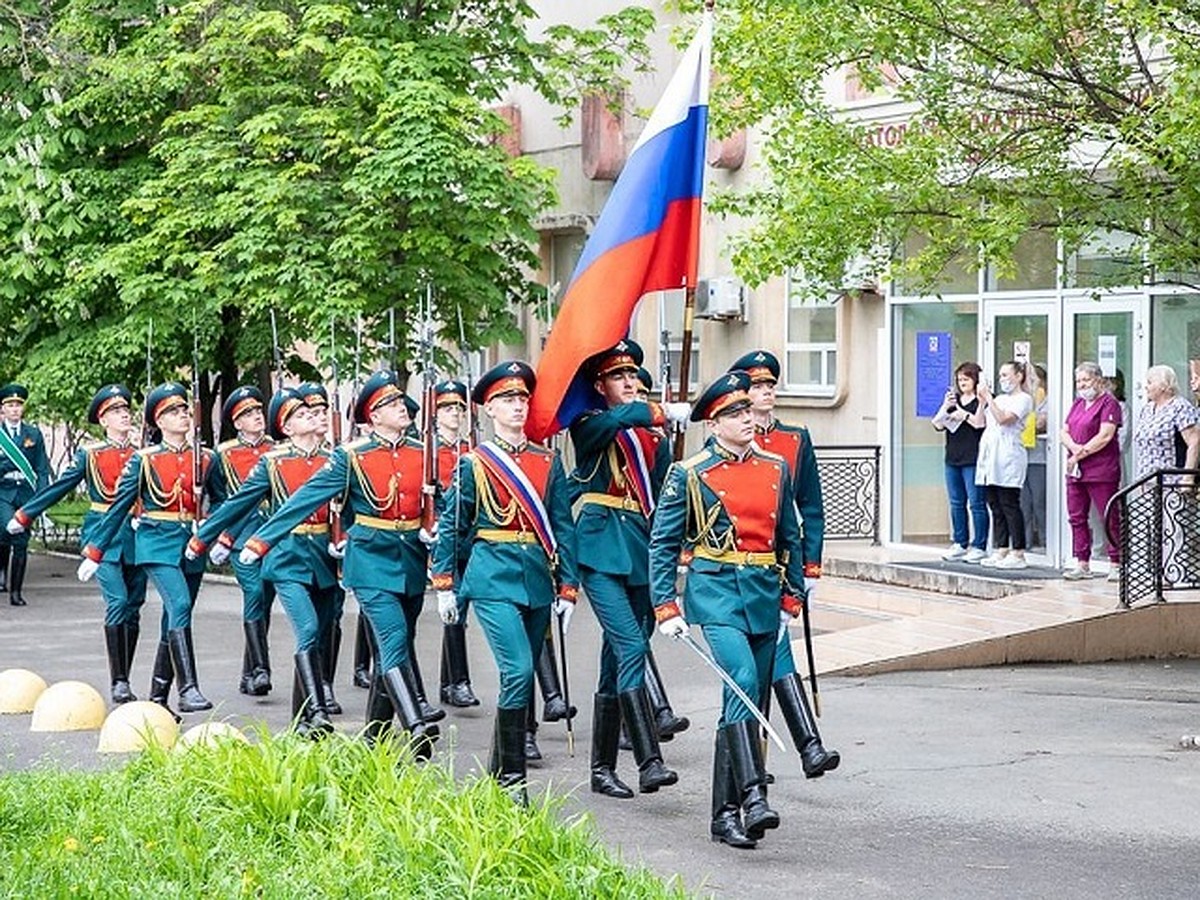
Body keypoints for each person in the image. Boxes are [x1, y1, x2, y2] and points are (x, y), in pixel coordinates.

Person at [239, 370, 440, 756]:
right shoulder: (352, 457)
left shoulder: (421, 451)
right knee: (393, 639)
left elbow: (442, 503)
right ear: (372, 416)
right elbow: (304, 499)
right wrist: (262, 540)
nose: (401, 407)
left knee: (396, 644)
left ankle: (374, 738)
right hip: (369, 563)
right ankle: (414, 723)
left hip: (411, 561)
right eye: (390, 404)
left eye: (400, 402)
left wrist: (439, 531)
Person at [649, 371, 806, 850]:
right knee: (739, 676)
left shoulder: (776, 467)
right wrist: (665, 605)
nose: (747, 419)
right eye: (736, 414)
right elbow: (663, 542)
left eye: (747, 412)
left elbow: (789, 539)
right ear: (714, 423)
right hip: (715, 594)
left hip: (762, 592)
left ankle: (724, 815)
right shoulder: (690, 473)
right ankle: (754, 796)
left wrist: (791, 597)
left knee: (746, 700)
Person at [430, 360, 580, 803]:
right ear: (488, 409)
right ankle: (514, 782)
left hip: (536, 578)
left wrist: (568, 587)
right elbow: (454, 527)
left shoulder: (547, 461)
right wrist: (443, 583)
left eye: (521, 399)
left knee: (525, 671)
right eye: (507, 400)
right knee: (517, 670)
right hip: (491, 576)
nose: (517, 407)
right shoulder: (475, 464)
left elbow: (562, 527)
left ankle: (499, 774)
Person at [568, 339, 688, 799]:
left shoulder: (653, 439)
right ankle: (648, 760)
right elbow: (623, 418)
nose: (630, 383)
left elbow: (664, 498)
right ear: (600, 386)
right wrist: (658, 410)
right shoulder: (589, 423)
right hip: (599, 547)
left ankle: (600, 770)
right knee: (630, 644)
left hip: (640, 547)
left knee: (614, 660)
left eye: (634, 376)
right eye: (619, 377)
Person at [188, 389, 340, 737]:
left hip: (323, 555)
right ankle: (316, 711)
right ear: (286, 428)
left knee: (324, 630)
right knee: (307, 629)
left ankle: (301, 720)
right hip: (286, 555)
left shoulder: (333, 459)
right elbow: (238, 503)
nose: (311, 417)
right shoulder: (272, 463)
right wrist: (204, 538)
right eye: (301, 415)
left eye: (311, 413)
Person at [729, 350, 839, 778]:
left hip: (782, 562)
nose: (767, 392)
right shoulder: (728, 443)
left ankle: (801, 749)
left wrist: (811, 566)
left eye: (771, 385)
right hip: (742, 564)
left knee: (774, 647)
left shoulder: (794, 439)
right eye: (758, 387)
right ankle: (792, 748)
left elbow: (811, 506)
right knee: (764, 655)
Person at [77, 382, 216, 715]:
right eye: (172, 411)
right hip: (156, 543)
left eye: (184, 409)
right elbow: (118, 507)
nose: (181, 415)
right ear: (158, 421)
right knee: (179, 603)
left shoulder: (206, 457)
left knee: (175, 616)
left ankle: (157, 699)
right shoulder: (144, 460)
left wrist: (217, 531)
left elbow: (227, 501)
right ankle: (189, 687)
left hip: (192, 544)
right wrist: (95, 551)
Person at [8, 385, 146, 701]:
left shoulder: (143, 453)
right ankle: (119, 681)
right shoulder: (91, 454)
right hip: (103, 537)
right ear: (102, 419)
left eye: (125, 410)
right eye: (115, 411)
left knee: (134, 609)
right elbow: (60, 487)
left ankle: (125, 674)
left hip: (137, 537)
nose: (123, 415)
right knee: (118, 602)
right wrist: (26, 514)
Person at [208, 385, 276, 697]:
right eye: (248, 414)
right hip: (240, 535)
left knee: (266, 601)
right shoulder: (223, 454)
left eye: (259, 411)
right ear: (237, 422)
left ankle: (249, 673)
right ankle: (261, 669)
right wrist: (222, 536)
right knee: (255, 593)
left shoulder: (276, 449)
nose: (257, 417)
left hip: (272, 534)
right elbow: (221, 500)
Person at [430, 378, 481, 709]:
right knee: (456, 608)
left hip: (470, 537)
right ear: (435, 414)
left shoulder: (472, 451)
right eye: (448, 408)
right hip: (440, 535)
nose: (455, 414)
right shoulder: (427, 451)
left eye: (459, 408)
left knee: (461, 610)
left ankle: (449, 683)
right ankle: (458, 681)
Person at [1132, 365, 1200, 585]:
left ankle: (1178, 574)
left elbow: (1194, 441)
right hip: (1148, 479)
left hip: (1172, 478)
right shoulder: (1146, 409)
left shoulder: (1180, 407)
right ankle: (1158, 574)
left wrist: (1188, 477)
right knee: (1153, 528)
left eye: (1150, 382)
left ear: (1164, 385)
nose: (1146, 386)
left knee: (1175, 527)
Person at [1059, 362, 1123, 581]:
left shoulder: (1109, 403)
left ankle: (1116, 562)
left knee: (1108, 516)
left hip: (1101, 470)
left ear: (1098, 379)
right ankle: (1082, 562)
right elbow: (1064, 431)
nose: (1082, 385)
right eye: (1078, 381)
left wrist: (1079, 453)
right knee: (1076, 516)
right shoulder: (1078, 403)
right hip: (1076, 469)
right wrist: (1075, 450)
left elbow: (1105, 436)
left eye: (1086, 380)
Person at [971, 361, 1033, 569]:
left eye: (1006, 375)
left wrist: (989, 398)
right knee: (994, 505)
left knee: (1009, 504)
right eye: (1000, 375)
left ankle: (1018, 552)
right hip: (990, 455)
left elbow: (1004, 419)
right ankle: (1001, 548)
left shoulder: (1023, 399)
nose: (1002, 379)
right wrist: (982, 402)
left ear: (1019, 376)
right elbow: (979, 423)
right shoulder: (999, 399)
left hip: (1008, 455)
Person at [931, 362, 989, 563]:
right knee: (956, 503)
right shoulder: (954, 400)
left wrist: (964, 414)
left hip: (973, 458)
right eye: (959, 379)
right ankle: (960, 542)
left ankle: (980, 544)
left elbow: (979, 423)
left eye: (966, 379)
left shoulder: (982, 401)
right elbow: (937, 424)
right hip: (952, 457)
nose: (962, 383)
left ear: (975, 380)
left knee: (976, 503)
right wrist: (946, 406)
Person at [0, 383, 51, 606]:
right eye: (10, 405)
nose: (14, 409)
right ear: (3, 409)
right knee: (5, 533)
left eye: (18, 405)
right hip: (3, 492)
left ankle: (16, 592)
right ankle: (2, 572)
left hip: (26, 493)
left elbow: (41, 467)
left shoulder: (33, 434)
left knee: (21, 540)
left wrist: (42, 497)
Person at [1020, 363, 1049, 552]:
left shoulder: (1049, 400)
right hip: (1022, 457)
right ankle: (1026, 541)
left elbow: (1042, 423)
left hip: (1041, 458)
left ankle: (1047, 541)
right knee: (1024, 503)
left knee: (1040, 502)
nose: (1031, 382)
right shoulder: (1022, 399)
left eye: (1034, 379)